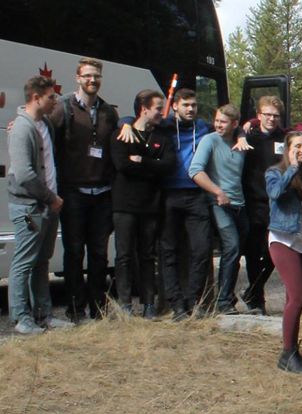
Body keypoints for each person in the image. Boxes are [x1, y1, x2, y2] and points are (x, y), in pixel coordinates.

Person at [49, 57, 117, 321]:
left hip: (102, 194)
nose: (93, 80)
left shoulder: (107, 112)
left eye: (97, 76)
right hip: (73, 192)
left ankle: (98, 306)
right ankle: (75, 308)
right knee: (74, 252)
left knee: (99, 254)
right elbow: (43, 132)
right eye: (88, 76)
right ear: (78, 78)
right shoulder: (63, 107)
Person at [7, 75, 67, 334]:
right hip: (30, 207)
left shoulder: (45, 125)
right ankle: (21, 318)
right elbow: (24, 175)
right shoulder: (22, 128)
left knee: (42, 262)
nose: (55, 101)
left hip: (46, 207)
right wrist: (51, 198)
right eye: (51, 96)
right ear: (35, 97)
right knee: (24, 262)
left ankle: (44, 314)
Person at [111, 89, 177, 317]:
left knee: (148, 256)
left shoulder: (161, 138)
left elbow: (168, 166)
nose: (163, 113)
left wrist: (142, 161)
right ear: (144, 109)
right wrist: (152, 165)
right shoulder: (122, 134)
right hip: (124, 206)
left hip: (150, 206)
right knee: (124, 255)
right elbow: (122, 165)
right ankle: (126, 304)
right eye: (159, 108)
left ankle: (149, 303)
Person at [158, 88, 214, 320]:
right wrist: (127, 122)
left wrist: (242, 132)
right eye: (186, 105)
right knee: (168, 252)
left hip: (196, 195)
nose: (190, 109)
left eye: (193, 105)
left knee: (201, 250)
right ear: (175, 106)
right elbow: (135, 119)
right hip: (169, 194)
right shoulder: (164, 126)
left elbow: (230, 124)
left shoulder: (203, 127)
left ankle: (192, 300)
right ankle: (176, 304)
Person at [189, 104, 247, 315]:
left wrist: (241, 136)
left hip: (240, 205)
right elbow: (195, 171)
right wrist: (217, 192)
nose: (218, 125)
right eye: (217, 120)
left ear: (234, 124)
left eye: (223, 122)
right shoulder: (210, 140)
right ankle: (223, 302)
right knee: (231, 247)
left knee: (238, 252)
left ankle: (229, 295)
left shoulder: (241, 141)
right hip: (219, 204)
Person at [267, 132, 302, 374]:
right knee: (299, 297)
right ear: (287, 149)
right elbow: (275, 194)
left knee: (292, 300)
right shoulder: (275, 172)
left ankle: (292, 348)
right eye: (298, 146)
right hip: (283, 240)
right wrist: (293, 168)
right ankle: (287, 354)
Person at [236, 96, 287, 315]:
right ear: (259, 116)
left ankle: (253, 290)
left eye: (275, 115)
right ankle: (258, 299)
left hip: (277, 204)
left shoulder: (285, 138)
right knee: (253, 252)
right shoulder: (248, 137)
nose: (271, 119)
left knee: (274, 253)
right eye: (267, 115)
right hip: (252, 202)